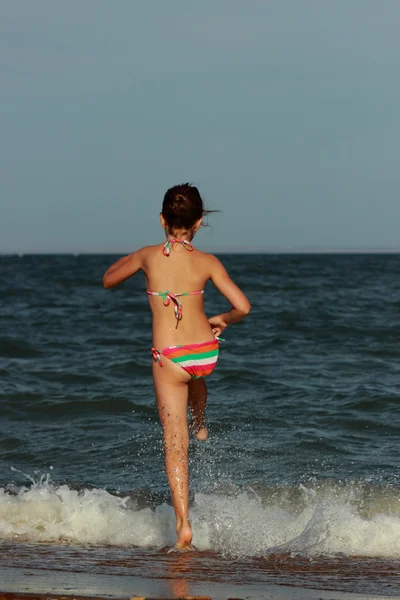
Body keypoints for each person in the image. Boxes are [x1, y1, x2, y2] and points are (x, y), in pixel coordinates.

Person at [103, 183, 251, 550]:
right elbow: (243, 308)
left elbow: (108, 279)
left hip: (169, 357)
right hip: (204, 353)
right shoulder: (208, 262)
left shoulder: (148, 256)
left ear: (162, 220)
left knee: (174, 445)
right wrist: (223, 319)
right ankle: (201, 422)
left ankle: (183, 524)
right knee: (196, 377)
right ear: (199, 223)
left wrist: (141, 259)